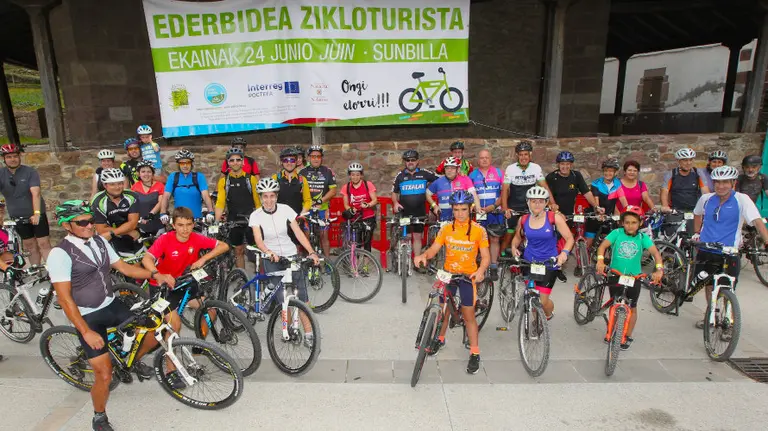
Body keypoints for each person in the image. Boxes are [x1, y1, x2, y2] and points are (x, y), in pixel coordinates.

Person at [46, 200, 175, 431]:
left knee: (153, 329)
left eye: (91, 220)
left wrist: (156, 275)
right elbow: (65, 299)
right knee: (104, 375)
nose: (89, 225)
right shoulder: (60, 254)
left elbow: (124, 268)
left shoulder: (98, 241)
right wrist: (85, 332)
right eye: (81, 222)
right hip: (87, 316)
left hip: (111, 304)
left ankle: (130, 362)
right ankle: (99, 416)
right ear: (67, 226)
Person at [140, 206, 230, 389]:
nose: (185, 229)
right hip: (162, 288)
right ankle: (170, 371)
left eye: (189, 224)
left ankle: (198, 345)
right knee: (174, 325)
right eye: (180, 225)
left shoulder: (196, 238)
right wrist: (157, 274)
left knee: (210, 311)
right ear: (173, 225)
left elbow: (224, 246)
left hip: (183, 284)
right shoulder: (165, 240)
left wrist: (203, 259)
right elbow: (146, 259)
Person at [413, 190, 490, 374]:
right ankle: (440, 338)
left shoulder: (479, 230)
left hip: (467, 276)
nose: (460, 213)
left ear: (470, 208)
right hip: (448, 273)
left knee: (468, 315)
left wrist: (480, 271)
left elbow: (486, 257)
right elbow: (434, 249)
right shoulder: (446, 228)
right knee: (442, 309)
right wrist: (423, 255)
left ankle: (474, 353)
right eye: (456, 209)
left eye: (463, 209)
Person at [693, 165, 768, 330]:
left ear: (733, 182)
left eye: (725, 182)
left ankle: (729, 321)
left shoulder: (742, 199)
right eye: (717, 182)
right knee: (709, 285)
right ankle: (711, 314)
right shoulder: (706, 199)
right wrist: (697, 232)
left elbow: (757, 221)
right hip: (706, 250)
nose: (721, 186)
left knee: (728, 288)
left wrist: (767, 241)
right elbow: (697, 213)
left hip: (729, 252)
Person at [249, 178, 321, 346]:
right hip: (271, 257)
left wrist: (311, 252)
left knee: (302, 297)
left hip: (290, 254)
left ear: (277, 196)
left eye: (272, 196)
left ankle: (309, 333)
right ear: (260, 197)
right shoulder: (255, 215)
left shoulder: (286, 209)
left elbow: (297, 232)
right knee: (282, 297)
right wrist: (268, 252)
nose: (268, 200)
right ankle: (287, 328)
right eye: (265, 196)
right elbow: (258, 240)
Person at [595, 205, 664, 350]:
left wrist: (659, 270)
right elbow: (602, 247)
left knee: (632, 307)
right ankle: (613, 331)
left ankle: (628, 334)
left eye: (634, 222)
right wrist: (600, 260)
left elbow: (656, 254)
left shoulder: (642, 238)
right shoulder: (616, 233)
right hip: (616, 274)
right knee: (615, 304)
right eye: (627, 222)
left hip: (634, 277)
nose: (630, 226)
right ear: (622, 223)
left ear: (640, 223)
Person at [510, 186, 574, 322]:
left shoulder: (554, 218)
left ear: (546, 203)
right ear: (528, 202)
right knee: (532, 294)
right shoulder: (523, 220)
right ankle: (536, 323)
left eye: (540, 201)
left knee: (543, 301)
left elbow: (569, 238)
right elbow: (517, 236)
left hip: (549, 263)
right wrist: (513, 246)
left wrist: (563, 254)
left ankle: (548, 314)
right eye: (533, 201)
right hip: (528, 262)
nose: (537, 204)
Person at [0, 144, 52, 265]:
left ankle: (54, 273)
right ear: (4, 159)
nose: (13, 159)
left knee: (44, 243)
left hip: (36, 213)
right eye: (9, 157)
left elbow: (36, 193)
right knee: (29, 245)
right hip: (17, 215)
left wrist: (37, 213)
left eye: (15, 156)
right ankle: (36, 271)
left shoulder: (30, 172)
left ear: (19, 157)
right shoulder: (1, 174)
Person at [501, 140, 551, 252]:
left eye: (526, 154)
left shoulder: (536, 167)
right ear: (517, 155)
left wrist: (553, 203)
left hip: (530, 207)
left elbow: (545, 187)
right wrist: (505, 208)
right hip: (514, 206)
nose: (523, 157)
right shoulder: (511, 168)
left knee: (530, 232)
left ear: (530, 155)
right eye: (521, 154)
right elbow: (505, 190)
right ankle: (501, 256)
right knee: (509, 233)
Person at [214, 147, 260, 269]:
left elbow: (258, 202)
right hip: (233, 219)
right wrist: (216, 222)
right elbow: (220, 203)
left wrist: (261, 219)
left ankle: (260, 278)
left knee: (255, 251)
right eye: (232, 160)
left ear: (243, 161)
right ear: (228, 163)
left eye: (238, 160)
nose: (235, 163)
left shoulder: (251, 179)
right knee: (238, 250)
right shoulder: (224, 181)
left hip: (251, 220)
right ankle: (242, 277)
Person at [392, 150, 438, 270]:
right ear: (405, 162)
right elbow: (394, 192)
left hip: (420, 212)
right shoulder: (400, 176)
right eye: (408, 160)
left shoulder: (424, 173)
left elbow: (440, 180)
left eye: (413, 160)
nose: (410, 162)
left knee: (417, 237)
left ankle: (417, 262)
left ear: (417, 161)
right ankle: (405, 262)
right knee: (406, 237)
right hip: (404, 212)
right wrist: (395, 202)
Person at [469, 149, 504, 279]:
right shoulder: (472, 175)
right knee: (478, 239)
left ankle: (493, 265)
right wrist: (473, 206)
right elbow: (469, 194)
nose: (484, 160)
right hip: (478, 213)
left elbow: (505, 193)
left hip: (494, 211)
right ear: (478, 160)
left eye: (487, 158)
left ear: (491, 159)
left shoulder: (499, 173)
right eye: (482, 158)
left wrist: (493, 206)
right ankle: (479, 264)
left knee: (494, 238)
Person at [91, 168, 142, 257]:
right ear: (104, 185)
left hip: (128, 233)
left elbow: (133, 223)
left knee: (138, 261)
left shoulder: (132, 196)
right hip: (111, 237)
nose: (117, 187)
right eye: (112, 184)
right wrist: (128, 232)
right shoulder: (98, 201)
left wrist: (126, 232)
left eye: (120, 183)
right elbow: (101, 229)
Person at [660, 148, 710, 235]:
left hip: (693, 210)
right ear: (679, 161)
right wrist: (665, 206)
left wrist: (709, 205)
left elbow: (705, 192)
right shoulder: (671, 174)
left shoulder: (698, 173)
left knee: (693, 236)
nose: (688, 163)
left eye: (691, 160)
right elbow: (664, 192)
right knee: (674, 237)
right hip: (675, 211)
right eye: (685, 160)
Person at [300, 145, 337, 257]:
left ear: (321, 158)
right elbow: (299, 190)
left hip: (322, 209)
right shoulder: (302, 172)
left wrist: (322, 200)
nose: (316, 159)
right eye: (313, 156)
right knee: (306, 235)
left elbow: (333, 190)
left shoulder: (328, 171)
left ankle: (327, 264)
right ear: (309, 158)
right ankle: (308, 261)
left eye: (318, 156)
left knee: (323, 235)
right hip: (307, 209)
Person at [161, 149, 214, 220]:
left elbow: (205, 195)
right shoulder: (173, 177)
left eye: (188, 163)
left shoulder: (199, 176)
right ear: (178, 165)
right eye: (182, 163)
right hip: (179, 219)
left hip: (196, 219)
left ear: (191, 164)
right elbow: (166, 196)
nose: (185, 166)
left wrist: (210, 211)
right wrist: (163, 213)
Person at [427, 157, 481, 222]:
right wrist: (434, 206)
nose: (449, 170)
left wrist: (477, 208)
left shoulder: (465, 179)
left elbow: (474, 195)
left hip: (462, 218)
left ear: (458, 169)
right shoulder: (438, 181)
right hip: (444, 218)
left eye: (452, 168)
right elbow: (427, 193)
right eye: (447, 168)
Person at [341, 162, 379, 252]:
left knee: (367, 243)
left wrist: (368, 204)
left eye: (357, 175)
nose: (355, 177)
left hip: (368, 217)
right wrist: (350, 209)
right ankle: (356, 265)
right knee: (356, 243)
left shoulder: (368, 184)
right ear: (349, 175)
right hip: (355, 218)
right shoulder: (346, 187)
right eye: (352, 175)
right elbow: (346, 204)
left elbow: (375, 200)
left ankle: (366, 266)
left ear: (361, 175)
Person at [585, 159, 622, 250]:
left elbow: (617, 201)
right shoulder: (596, 183)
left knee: (608, 243)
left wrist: (618, 215)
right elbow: (596, 199)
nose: (607, 173)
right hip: (595, 215)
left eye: (610, 171)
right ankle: (586, 260)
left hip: (609, 216)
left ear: (615, 172)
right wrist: (599, 213)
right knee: (589, 244)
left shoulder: (618, 183)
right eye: (605, 171)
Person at [270, 148, 312, 216]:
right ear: (281, 162)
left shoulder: (302, 180)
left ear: (296, 162)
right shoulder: (275, 178)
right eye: (286, 160)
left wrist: (302, 213)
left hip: (297, 219)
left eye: (292, 160)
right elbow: (269, 199)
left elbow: (308, 200)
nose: (289, 163)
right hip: (278, 220)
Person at [130, 160, 165, 236]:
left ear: (153, 174)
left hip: (157, 224)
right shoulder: (134, 187)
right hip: (141, 225)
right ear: (139, 174)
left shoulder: (160, 185)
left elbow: (161, 202)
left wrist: (151, 214)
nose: (146, 174)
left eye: (149, 171)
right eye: (143, 171)